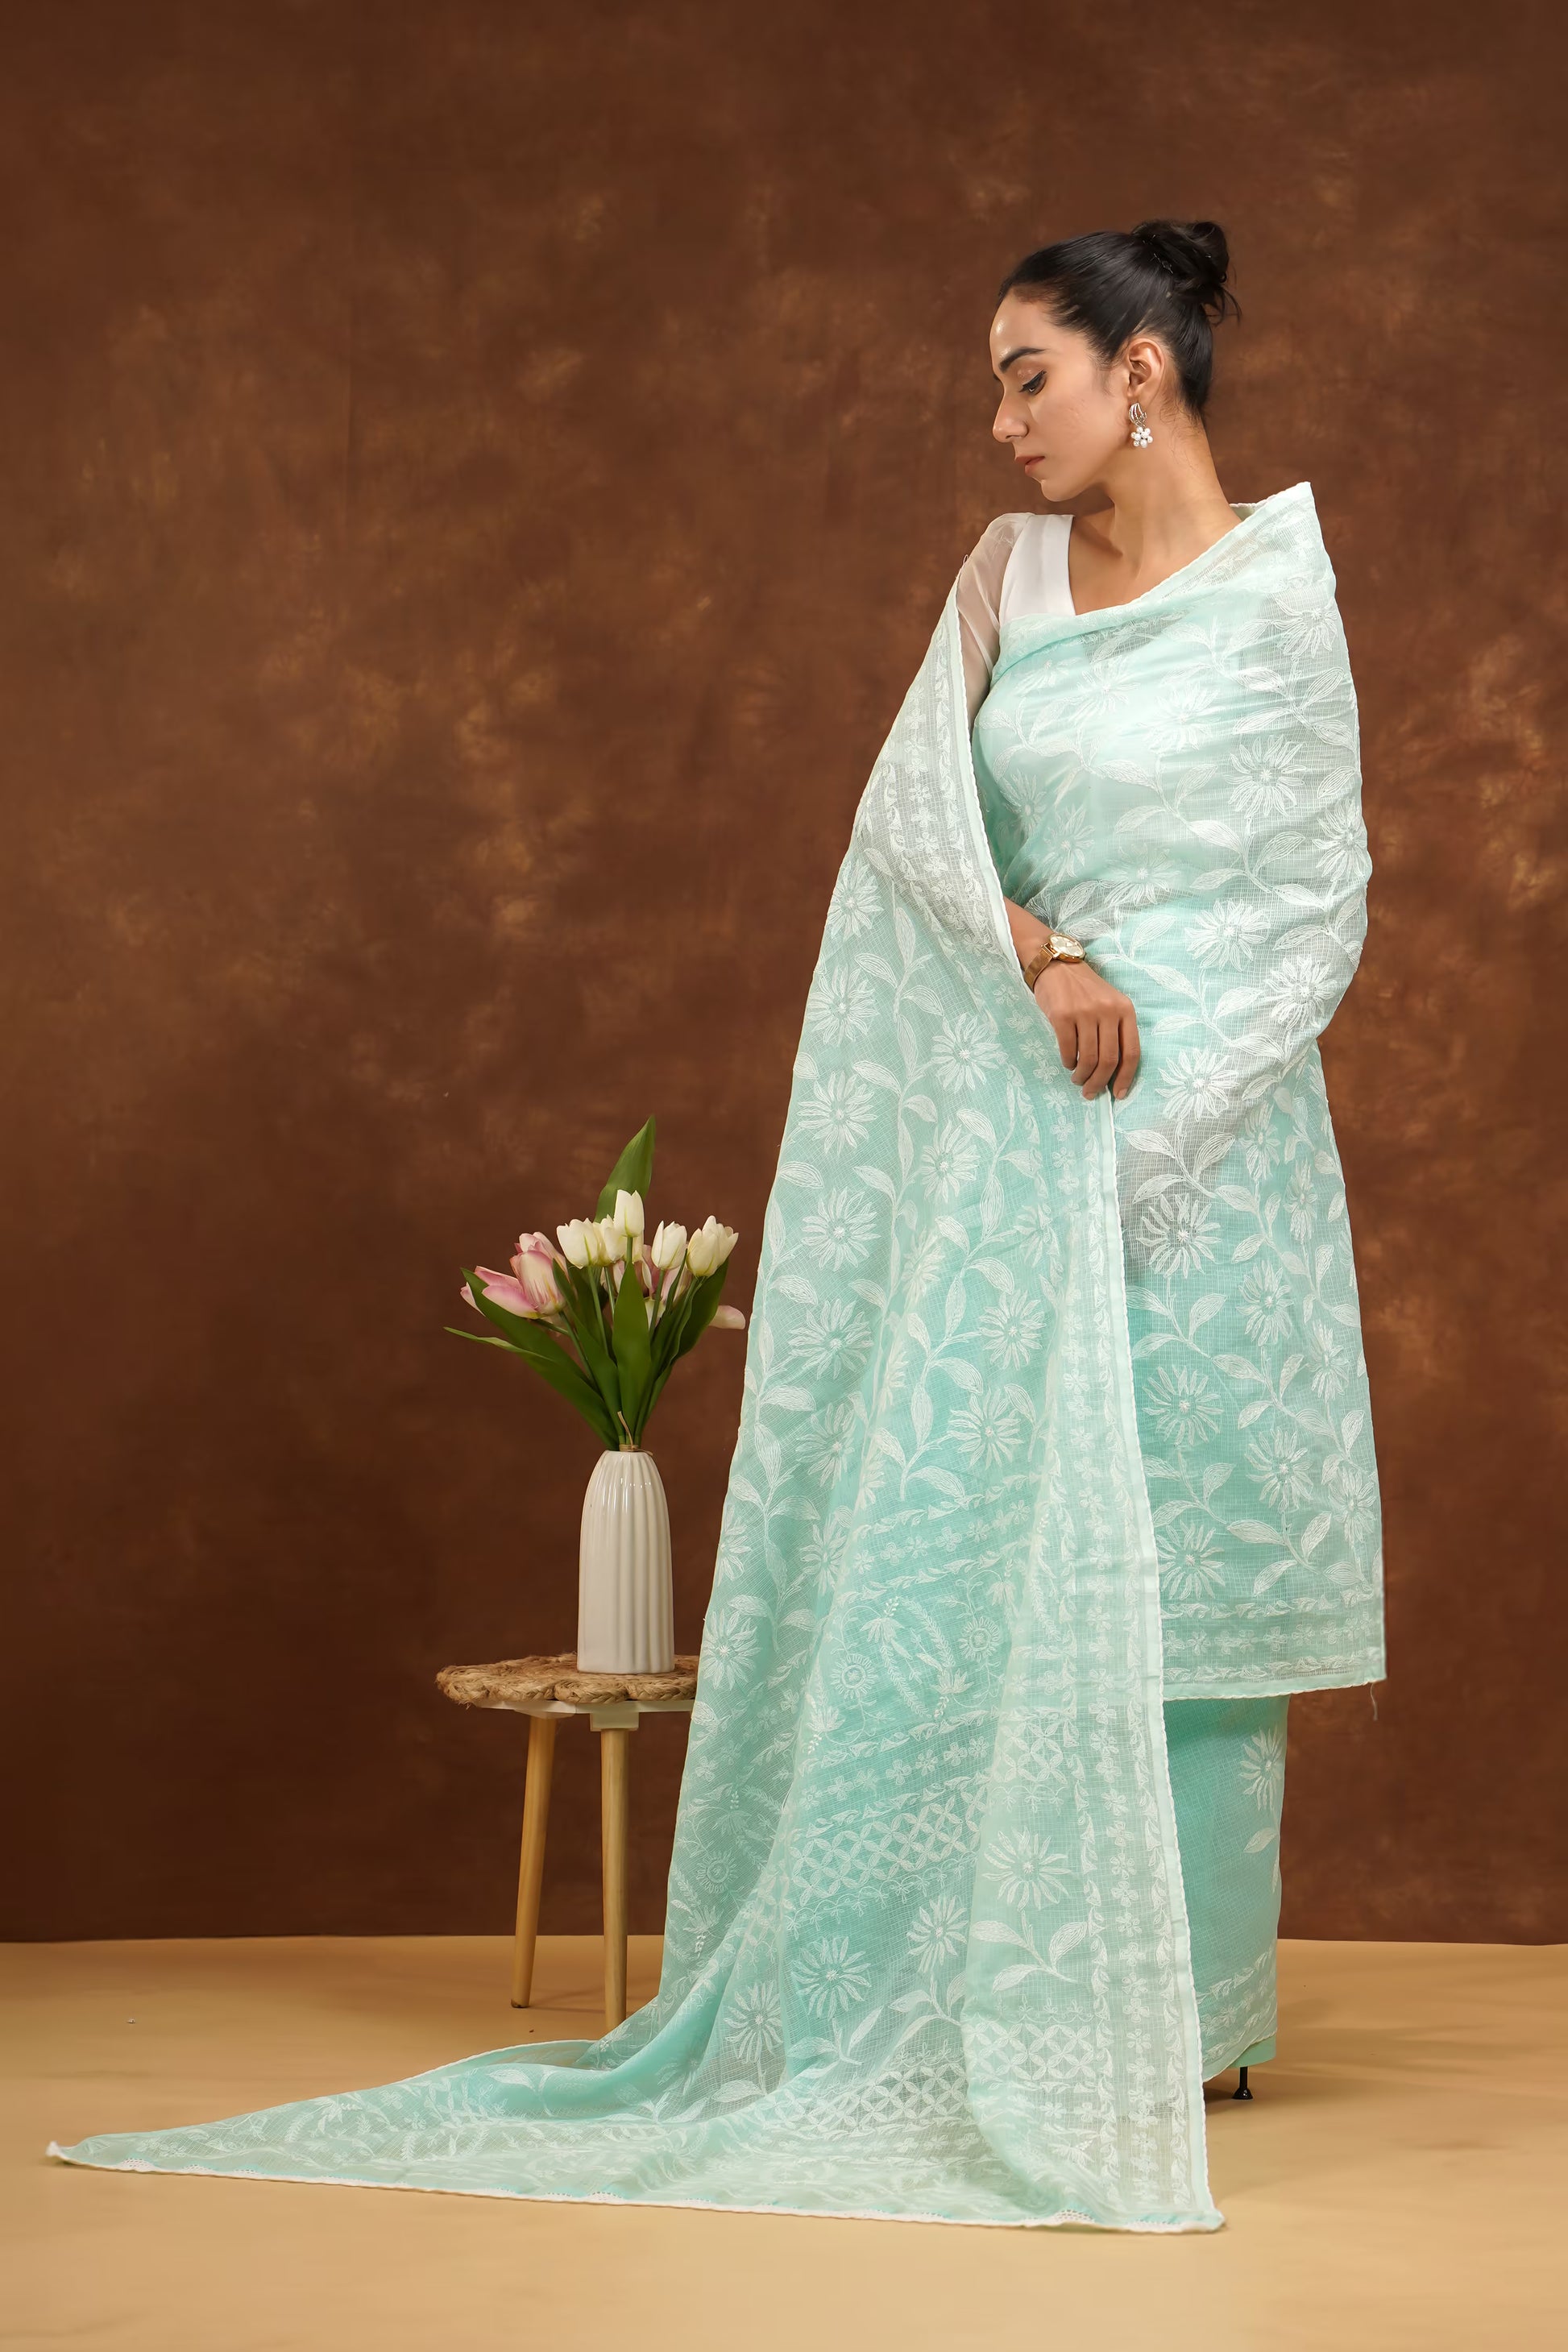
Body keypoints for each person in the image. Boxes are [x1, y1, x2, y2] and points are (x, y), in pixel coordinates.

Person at [50, 219, 1383, 2234]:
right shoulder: (1002, 579)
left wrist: (1164, 1121)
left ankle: (1194, 2012)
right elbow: (911, 831)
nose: (1001, 415)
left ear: (1144, 370)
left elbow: (1313, 897)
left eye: (1030, 371)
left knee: (1176, 1571)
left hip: (1207, 1145)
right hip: (1025, 1132)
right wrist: (1042, 958)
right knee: (1011, 1553)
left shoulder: (1280, 592)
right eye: (994, 381)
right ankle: (989, 1979)